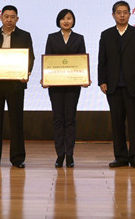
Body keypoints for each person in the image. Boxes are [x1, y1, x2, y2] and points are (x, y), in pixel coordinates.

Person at [97, 0, 135, 169]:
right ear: (113, 15)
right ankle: (120, 156)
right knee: (117, 123)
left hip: (134, 86)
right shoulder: (106, 35)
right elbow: (102, 60)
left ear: (130, 14)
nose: (122, 15)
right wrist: (102, 81)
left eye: (125, 12)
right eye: (118, 12)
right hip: (113, 86)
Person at [0, 5, 35, 168]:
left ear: (17, 19)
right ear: (1, 18)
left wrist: (26, 72)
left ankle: (17, 159)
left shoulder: (24, 36)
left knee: (16, 122)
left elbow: (30, 57)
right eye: (6, 16)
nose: (9, 20)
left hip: (15, 85)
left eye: (12, 17)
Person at [44, 9, 87, 168]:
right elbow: (48, 59)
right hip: (55, 85)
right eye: (63, 19)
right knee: (58, 119)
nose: (66, 21)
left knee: (70, 119)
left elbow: (82, 60)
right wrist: (45, 77)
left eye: (69, 18)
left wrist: (84, 77)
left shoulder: (79, 38)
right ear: (58, 21)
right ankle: (59, 154)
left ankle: (69, 154)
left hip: (73, 85)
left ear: (73, 20)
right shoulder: (52, 37)